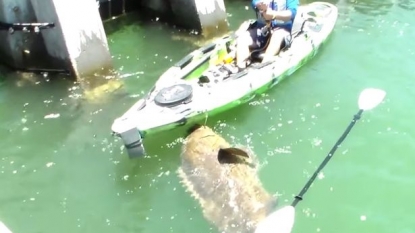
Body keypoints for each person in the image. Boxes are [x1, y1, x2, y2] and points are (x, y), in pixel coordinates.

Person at [235, 0, 299, 69]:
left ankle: (263, 67)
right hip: (262, 29)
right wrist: (259, 5)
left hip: (281, 30)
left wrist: (273, 15)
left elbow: (292, 13)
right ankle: (241, 68)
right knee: (243, 38)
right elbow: (254, 2)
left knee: (277, 36)